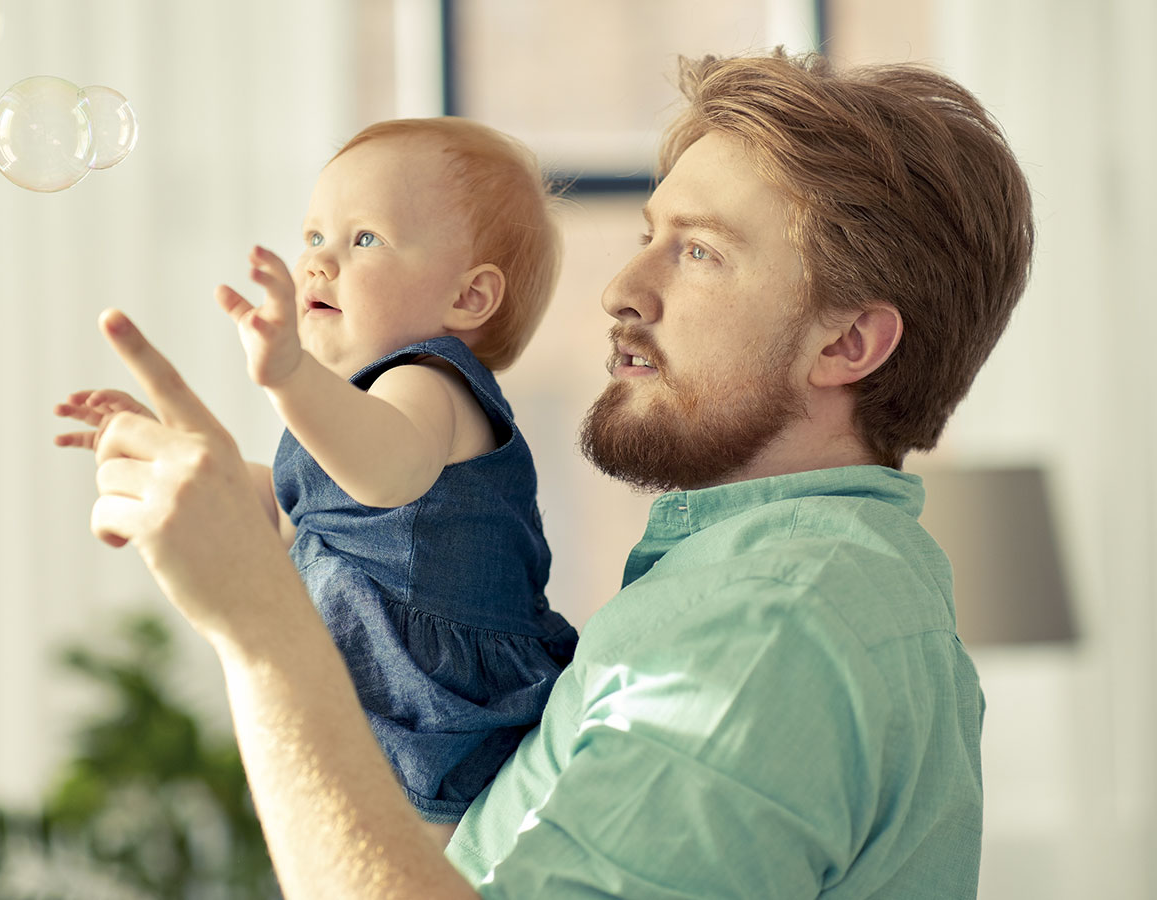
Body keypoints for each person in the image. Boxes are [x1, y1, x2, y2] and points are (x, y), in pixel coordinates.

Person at [69, 49, 1034, 898]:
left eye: (699, 252)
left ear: (849, 344)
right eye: (649, 234)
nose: (622, 289)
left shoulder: (771, 631)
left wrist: (257, 627)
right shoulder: (784, 591)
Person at [56, 117, 577, 835]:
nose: (320, 262)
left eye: (363, 239)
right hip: (372, 714)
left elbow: (387, 473)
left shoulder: (432, 385)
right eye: (313, 237)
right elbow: (280, 506)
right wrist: (164, 446)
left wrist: (291, 376)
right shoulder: (351, 416)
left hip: (450, 721)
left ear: (468, 299)